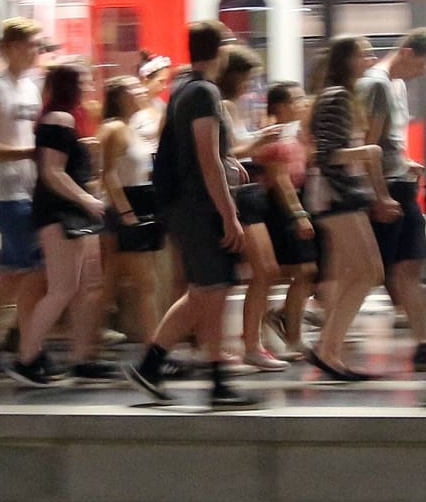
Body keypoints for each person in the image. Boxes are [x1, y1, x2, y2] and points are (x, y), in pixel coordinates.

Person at [125, 21, 260, 410]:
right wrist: (229, 213)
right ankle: (216, 383)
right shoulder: (204, 92)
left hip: (183, 204)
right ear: (220, 51)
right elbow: (207, 158)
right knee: (213, 289)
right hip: (197, 205)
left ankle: (152, 367)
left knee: (205, 290)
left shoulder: (182, 87)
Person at [299, 35, 393, 383]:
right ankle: (327, 348)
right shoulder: (338, 98)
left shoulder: (337, 96)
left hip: (337, 197)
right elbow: (329, 155)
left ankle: (328, 346)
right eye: (363, 53)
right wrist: (368, 155)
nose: (370, 58)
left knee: (359, 273)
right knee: (369, 272)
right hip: (337, 198)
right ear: (348, 60)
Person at [10, 63, 109, 387]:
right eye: (83, 79)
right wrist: (87, 199)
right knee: (63, 289)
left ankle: (81, 357)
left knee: (80, 288)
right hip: (60, 213)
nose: (89, 83)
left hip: (67, 213)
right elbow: (53, 171)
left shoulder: (59, 119)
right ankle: (26, 357)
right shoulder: (60, 119)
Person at [358, 28, 426, 365]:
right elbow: (369, 144)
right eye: (421, 65)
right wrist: (378, 194)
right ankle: (319, 329)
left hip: (400, 183)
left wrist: (407, 163)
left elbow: (388, 143)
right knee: (367, 271)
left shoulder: (397, 85)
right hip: (387, 189)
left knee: (407, 267)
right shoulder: (375, 84)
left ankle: (425, 342)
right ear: (406, 52)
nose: (422, 73)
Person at [0, 19, 44, 374]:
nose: (37, 52)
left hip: (25, 188)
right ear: (13, 48)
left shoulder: (29, 87)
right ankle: (25, 343)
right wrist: (29, 154)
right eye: (33, 45)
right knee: (33, 266)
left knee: (14, 270)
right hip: (3, 190)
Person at [218, 44, 288, 373]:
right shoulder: (224, 105)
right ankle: (250, 344)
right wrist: (260, 140)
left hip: (247, 193)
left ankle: (251, 340)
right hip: (239, 196)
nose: (251, 84)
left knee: (264, 271)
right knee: (264, 270)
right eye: (248, 77)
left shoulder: (234, 106)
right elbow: (230, 149)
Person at [99, 76, 163, 350]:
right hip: (125, 208)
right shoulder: (115, 128)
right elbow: (108, 174)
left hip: (134, 205)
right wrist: (126, 213)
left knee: (111, 282)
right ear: (120, 96)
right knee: (146, 282)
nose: (139, 92)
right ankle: (156, 346)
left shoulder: (130, 127)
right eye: (133, 89)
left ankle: (88, 344)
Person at [258, 81, 316, 362]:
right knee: (296, 271)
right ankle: (284, 333)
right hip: (280, 210)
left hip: (295, 204)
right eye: (296, 100)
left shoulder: (296, 138)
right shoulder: (274, 139)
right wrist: (299, 215)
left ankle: (286, 325)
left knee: (305, 271)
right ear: (279, 106)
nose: (301, 104)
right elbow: (280, 181)